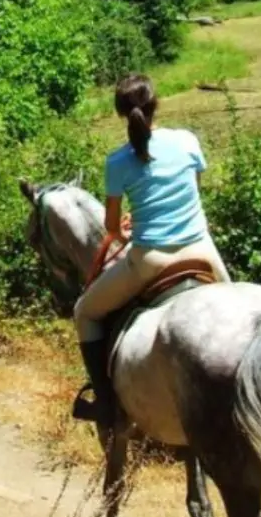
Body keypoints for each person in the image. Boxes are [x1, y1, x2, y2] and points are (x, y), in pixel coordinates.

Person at [71, 73, 230, 425]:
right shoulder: (188, 141)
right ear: (157, 104)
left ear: (119, 113)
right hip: (201, 250)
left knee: (84, 313)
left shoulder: (116, 162)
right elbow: (194, 194)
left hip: (150, 260)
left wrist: (127, 232)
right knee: (235, 310)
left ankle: (106, 403)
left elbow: (111, 229)